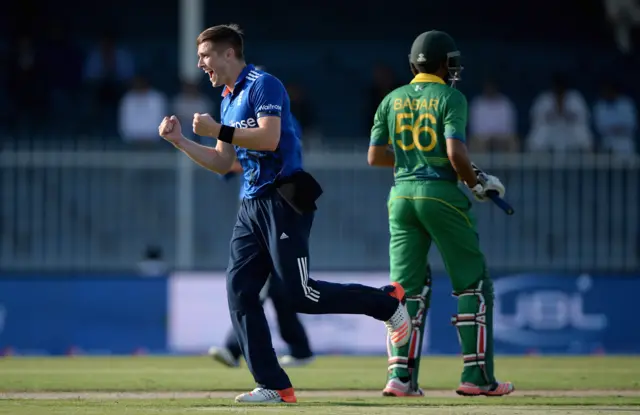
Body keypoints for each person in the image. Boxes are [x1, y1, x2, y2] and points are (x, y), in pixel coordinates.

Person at [157, 24, 412, 404]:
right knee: (240, 292)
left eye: (206, 55)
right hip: (250, 205)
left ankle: (388, 304)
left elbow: (269, 137)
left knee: (300, 295)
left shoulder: (264, 84)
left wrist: (219, 129)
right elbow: (223, 162)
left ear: (229, 53)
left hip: (283, 198)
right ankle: (274, 385)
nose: (201, 64)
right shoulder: (228, 98)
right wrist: (180, 141)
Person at [367, 30, 515, 397]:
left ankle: (400, 378)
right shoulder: (451, 97)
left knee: (404, 291)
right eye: (450, 62)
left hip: (400, 197)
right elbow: (455, 154)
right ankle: (476, 378)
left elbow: (375, 156)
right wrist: (475, 182)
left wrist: (414, 161)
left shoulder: (391, 98)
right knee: (473, 283)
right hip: (441, 198)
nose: (454, 68)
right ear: (439, 64)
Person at [209, 99, 315, 368]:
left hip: (276, 206)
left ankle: (234, 347)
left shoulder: (281, 123)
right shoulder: (241, 123)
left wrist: (223, 144)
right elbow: (230, 163)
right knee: (279, 288)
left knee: (259, 282)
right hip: (253, 208)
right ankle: (300, 349)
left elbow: (272, 157)